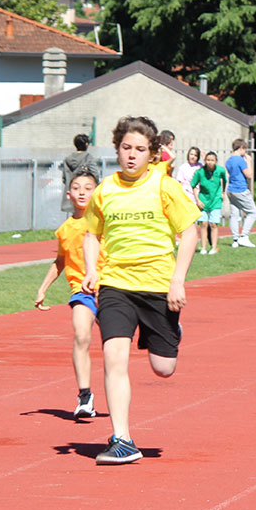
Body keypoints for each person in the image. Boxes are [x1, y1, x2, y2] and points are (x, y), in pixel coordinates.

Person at [81, 116, 200, 464]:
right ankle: (122, 439)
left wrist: (177, 280)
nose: (132, 155)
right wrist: (92, 270)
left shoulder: (165, 187)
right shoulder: (105, 190)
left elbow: (189, 232)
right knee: (113, 356)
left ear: (152, 154)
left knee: (164, 368)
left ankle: (168, 330)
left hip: (158, 286)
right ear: (117, 149)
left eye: (140, 149)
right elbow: (91, 234)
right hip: (115, 284)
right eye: (126, 148)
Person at [35, 169, 101, 419]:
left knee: (118, 344)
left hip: (109, 288)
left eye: (88, 188)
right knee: (81, 335)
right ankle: (85, 396)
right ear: (68, 194)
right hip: (81, 291)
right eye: (76, 188)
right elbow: (60, 261)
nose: (82, 192)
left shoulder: (105, 222)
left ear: (97, 192)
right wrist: (43, 288)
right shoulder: (65, 229)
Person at [190, 151, 227, 255]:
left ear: (216, 161)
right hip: (203, 200)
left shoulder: (220, 170)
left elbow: (224, 180)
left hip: (215, 200)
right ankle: (203, 247)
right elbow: (193, 185)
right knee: (203, 223)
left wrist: (223, 192)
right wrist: (197, 200)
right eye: (208, 160)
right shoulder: (200, 172)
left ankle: (214, 247)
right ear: (205, 160)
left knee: (213, 224)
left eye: (212, 160)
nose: (210, 162)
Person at [225, 139, 256, 248]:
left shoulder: (229, 160)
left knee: (234, 215)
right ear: (241, 148)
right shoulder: (240, 160)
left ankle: (235, 239)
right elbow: (249, 175)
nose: (245, 152)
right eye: (245, 149)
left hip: (231, 189)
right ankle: (244, 236)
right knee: (253, 212)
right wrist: (249, 162)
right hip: (240, 189)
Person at [60, 134, 99, 213]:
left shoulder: (67, 159)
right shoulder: (88, 158)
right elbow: (95, 175)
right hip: (85, 197)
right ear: (86, 144)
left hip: (72, 196)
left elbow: (64, 178)